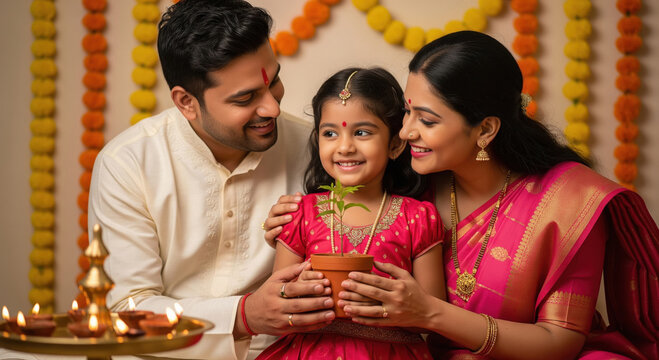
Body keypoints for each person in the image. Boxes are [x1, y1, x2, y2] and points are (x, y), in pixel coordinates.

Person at [266, 31, 658, 360]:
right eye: (407, 112)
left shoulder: (571, 201)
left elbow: (563, 340)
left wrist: (430, 314)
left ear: (485, 130)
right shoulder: (412, 184)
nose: (405, 132)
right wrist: (293, 223)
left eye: (427, 120)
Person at [87, 1, 334, 359]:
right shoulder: (128, 163)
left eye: (274, 80)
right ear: (187, 102)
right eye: (246, 98)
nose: (273, 109)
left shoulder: (316, 148)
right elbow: (127, 310)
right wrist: (245, 316)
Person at [256, 68, 446, 359]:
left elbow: (433, 315)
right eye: (330, 133)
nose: (344, 147)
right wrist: (299, 291)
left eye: (361, 132)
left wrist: (398, 303)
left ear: (395, 144)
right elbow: (279, 301)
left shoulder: (417, 218)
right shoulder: (300, 213)